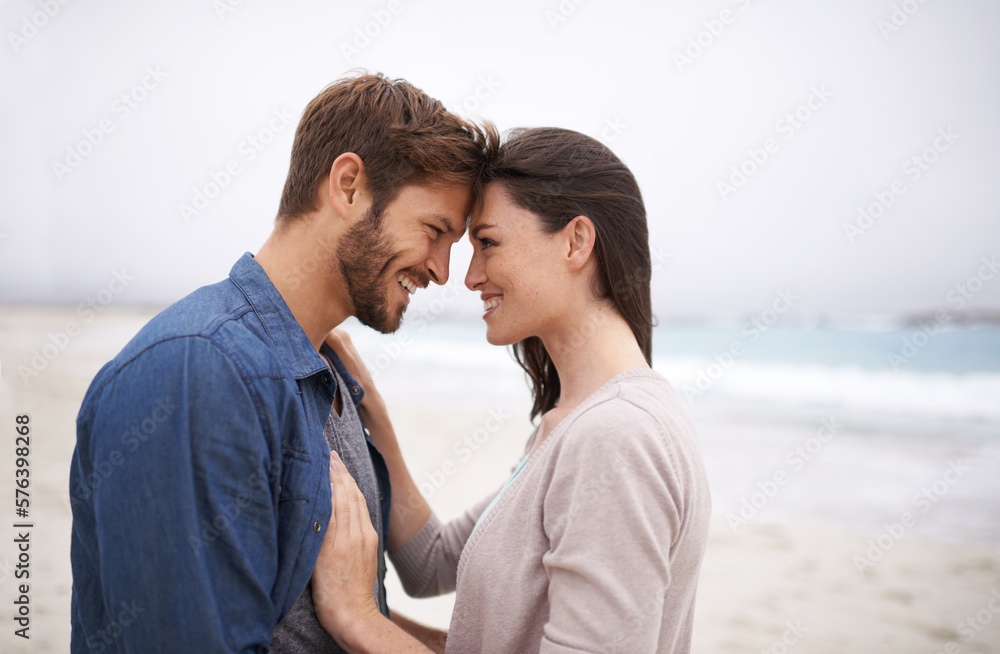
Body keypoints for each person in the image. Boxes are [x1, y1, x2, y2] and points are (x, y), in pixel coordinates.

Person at [68, 72, 496, 653]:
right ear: (348, 186)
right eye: (435, 231)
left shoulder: (327, 377)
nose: (442, 271)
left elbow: (327, 625)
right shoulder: (199, 372)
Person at [311, 127, 713, 653]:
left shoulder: (615, 438)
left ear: (576, 242)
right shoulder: (573, 422)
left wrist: (357, 616)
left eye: (488, 243)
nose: (470, 276)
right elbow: (432, 563)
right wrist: (376, 418)